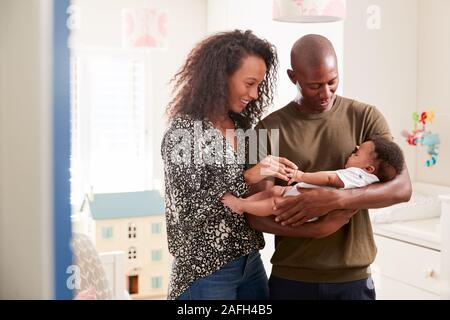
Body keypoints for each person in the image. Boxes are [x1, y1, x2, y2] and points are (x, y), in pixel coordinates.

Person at [245, 34, 412, 300]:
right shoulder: (263, 130)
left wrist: (335, 199)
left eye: (332, 81)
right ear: (293, 77)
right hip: (291, 278)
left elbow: (402, 188)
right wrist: (315, 229)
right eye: (314, 86)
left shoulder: (367, 116)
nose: (326, 93)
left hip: (353, 278)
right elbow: (254, 215)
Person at [161, 30, 300, 300]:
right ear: (220, 76)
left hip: (251, 261)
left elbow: (259, 194)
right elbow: (189, 212)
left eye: (259, 85)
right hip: (205, 271)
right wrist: (249, 175)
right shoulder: (183, 132)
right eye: (249, 83)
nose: (255, 94)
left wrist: (282, 182)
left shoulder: (245, 128)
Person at [222, 136, 405, 218]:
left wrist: (301, 175)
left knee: (274, 204)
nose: (354, 151)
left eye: (357, 154)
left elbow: (328, 179)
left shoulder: (358, 176)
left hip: (302, 200)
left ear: (369, 168)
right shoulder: (366, 178)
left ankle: (242, 205)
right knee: (276, 192)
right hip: (300, 193)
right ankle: (243, 203)